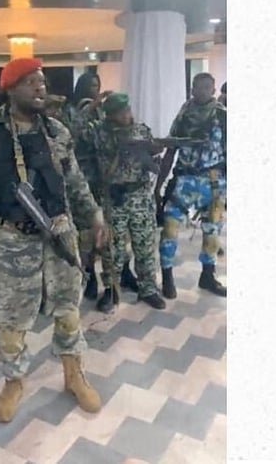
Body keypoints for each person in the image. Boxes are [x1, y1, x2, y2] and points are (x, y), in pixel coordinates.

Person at [0, 57, 105, 423]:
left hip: (60, 233)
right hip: (9, 240)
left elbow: (76, 182)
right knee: (11, 317)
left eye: (43, 81)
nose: (40, 87)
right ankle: (14, 381)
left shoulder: (56, 131)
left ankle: (73, 373)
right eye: (30, 81)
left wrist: (95, 215)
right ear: (10, 87)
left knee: (68, 308)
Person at [93, 93, 166, 312]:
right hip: (114, 198)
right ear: (110, 115)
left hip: (140, 196)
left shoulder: (142, 130)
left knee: (144, 244)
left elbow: (152, 161)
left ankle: (148, 288)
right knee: (112, 248)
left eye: (127, 110)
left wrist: (154, 155)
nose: (126, 115)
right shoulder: (99, 132)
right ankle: (111, 289)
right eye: (120, 112)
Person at [155, 73, 227, 298]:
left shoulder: (222, 116)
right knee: (169, 228)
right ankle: (167, 277)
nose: (203, 91)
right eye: (198, 87)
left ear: (213, 90)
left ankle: (208, 275)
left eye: (207, 87)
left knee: (212, 231)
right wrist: (158, 185)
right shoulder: (184, 113)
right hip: (184, 179)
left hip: (213, 181)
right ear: (192, 89)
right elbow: (171, 149)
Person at [69, 73, 138, 302]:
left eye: (97, 85)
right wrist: (93, 106)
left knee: (116, 231)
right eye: (90, 86)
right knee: (88, 234)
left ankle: (122, 272)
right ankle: (89, 276)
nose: (95, 90)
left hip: (106, 179)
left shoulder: (106, 114)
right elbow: (74, 132)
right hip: (84, 180)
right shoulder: (75, 110)